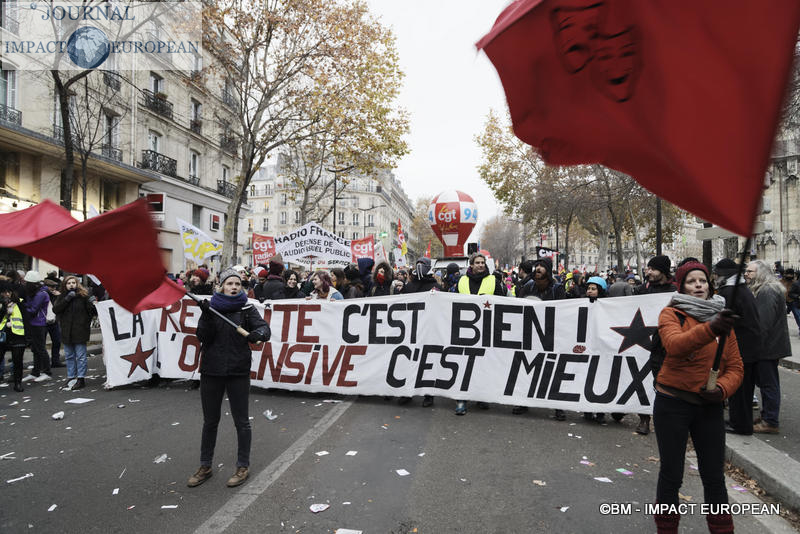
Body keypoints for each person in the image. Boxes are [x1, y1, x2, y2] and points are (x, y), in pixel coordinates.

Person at [652, 261, 742, 534]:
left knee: (714, 477)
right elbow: (676, 346)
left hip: (709, 407)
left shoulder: (723, 319)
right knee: (671, 475)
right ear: (682, 286)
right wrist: (712, 328)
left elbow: (736, 367)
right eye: (691, 281)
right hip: (673, 404)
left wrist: (722, 389)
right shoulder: (671, 314)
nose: (699, 285)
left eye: (702, 280)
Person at [189, 268, 270, 488]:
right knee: (210, 421)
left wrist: (258, 334)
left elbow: (264, 329)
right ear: (221, 286)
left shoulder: (247, 309)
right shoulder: (211, 308)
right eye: (229, 283)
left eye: (237, 284)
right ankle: (205, 466)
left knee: (242, 421)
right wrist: (206, 316)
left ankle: (242, 466)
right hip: (211, 371)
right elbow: (202, 337)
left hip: (238, 371)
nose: (234, 287)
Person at [513, 257, 567, 419]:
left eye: (541, 267)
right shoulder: (527, 287)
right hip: (531, 334)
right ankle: (523, 401)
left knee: (553, 369)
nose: (537, 269)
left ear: (548, 271)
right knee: (527, 367)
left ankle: (558, 406)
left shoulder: (557, 289)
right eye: (536, 267)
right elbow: (519, 307)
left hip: (551, 334)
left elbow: (563, 310)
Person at [713, 259, 762, 436]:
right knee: (744, 390)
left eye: (717, 274)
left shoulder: (729, 292)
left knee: (739, 390)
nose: (715, 277)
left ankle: (740, 424)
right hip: (751, 347)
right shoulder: (742, 290)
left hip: (742, 348)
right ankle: (740, 420)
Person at [632, 255, 678, 435]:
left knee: (661, 380)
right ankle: (644, 418)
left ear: (664, 271)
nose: (648, 272)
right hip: (641, 341)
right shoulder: (642, 290)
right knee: (640, 378)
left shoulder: (675, 291)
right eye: (648, 268)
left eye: (652, 268)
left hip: (665, 343)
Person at [745, 260, 791, 434]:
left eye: (750, 271)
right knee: (767, 382)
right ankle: (767, 416)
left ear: (761, 273)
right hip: (769, 345)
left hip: (767, 347)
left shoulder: (766, 290)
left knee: (768, 383)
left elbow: (762, 322)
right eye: (746, 271)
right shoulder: (768, 288)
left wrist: (753, 343)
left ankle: (770, 420)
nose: (747, 274)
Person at [454, 253, 503, 416]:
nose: (481, 265)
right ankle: (462, 399)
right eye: (477, 263)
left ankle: (481, 396)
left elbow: (505, 302)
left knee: (483, 364)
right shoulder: (461, 281)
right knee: (464, 365)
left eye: (483, 262)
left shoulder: (494, 281)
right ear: (471, 265)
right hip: (464, 330)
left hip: (486, 330)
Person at [52, 275, 96, 390]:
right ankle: (71, 377)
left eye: (73, 282)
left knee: (80, 356)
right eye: (68, 283)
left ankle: (80, 378)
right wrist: (67, 299)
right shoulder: (62, 297)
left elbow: (91, 312)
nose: (71, 285)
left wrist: (92, 304)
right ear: (65, 285)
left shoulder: (83, 296)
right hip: (67, 331)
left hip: (80, 330)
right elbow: (56, 310)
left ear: (77, 284)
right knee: (69, 356)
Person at [583, 276, 608, 424]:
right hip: (588, 346)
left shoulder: (607, 306)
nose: (590, 291)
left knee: (601, 379)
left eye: (594, 289)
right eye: (588, 288)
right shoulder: (582, 303)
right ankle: (587, 409)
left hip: (601, 348)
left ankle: (600, 411)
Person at [21, 271, 52, 383]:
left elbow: (33, 310)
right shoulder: (37, 292)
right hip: (35, 323)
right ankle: (36, 372)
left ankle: (47, 372)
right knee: (36, 349)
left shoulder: (40, 294)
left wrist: (21, 305)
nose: (25, 284)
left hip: (39, 324)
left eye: (27, 282)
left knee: (40, 349)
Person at [0, 281, 27, 392]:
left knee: (17, 361)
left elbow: (26, 319)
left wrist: (28, 337)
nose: (6, 294)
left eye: (8, 292)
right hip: (2, 334)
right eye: (3, 293)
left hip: (18, 335)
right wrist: (3, 309)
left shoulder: (20, 302)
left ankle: (18, 383)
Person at [44, 273, 64, 368]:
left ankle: (55, 361)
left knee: (57, 341)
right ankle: (44, 362)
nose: (54, 289)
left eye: (55, 287)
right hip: (44, 321)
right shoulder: (44, 293)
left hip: (54, 320)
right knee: (42, 343)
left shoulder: (55, 294)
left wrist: (58, 296)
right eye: (52, 287)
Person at [783, 268, 800, 337]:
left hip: (792, 302)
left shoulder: (794, 282)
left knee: (798, 316)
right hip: (787, 302)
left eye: (791, 274)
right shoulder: (781, 281)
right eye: (788, 274)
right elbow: (790, 293)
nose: (789, 276)